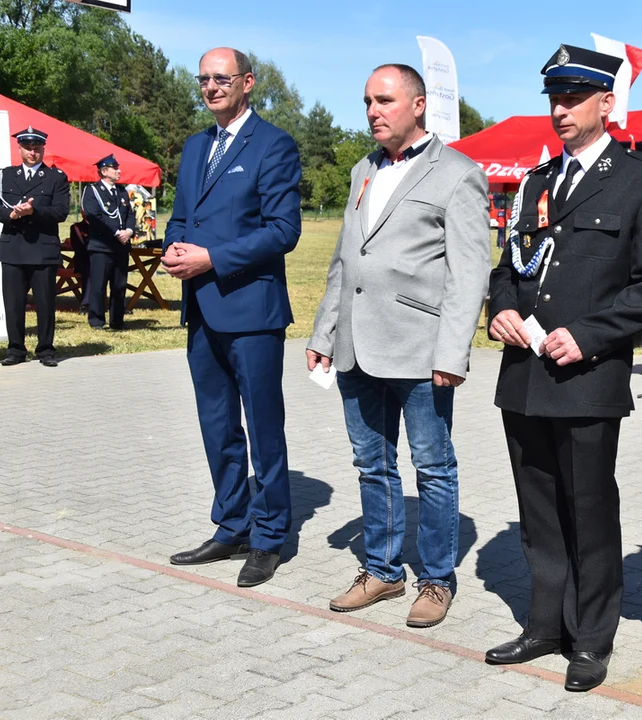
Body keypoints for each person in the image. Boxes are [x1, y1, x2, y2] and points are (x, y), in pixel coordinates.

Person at [484, 44, 642, 692]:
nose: (560, 109)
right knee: (537, 511)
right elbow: (509, 265)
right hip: (524, 377)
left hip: (586, 378)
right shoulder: (537, 183)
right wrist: (499, 311)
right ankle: (545, 624)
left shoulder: (639, 180)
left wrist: (591, 336)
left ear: (606, 102)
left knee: (589, 512)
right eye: (553, 98)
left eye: (572, 97)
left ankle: (590, 638)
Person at [308, 63, 490, 628]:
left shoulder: (458, 173)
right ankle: (382, 571)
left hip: (420, 348)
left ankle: (436, 580)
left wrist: (452, 353)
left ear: (418, 105)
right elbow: (346, 258)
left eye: (384, 100)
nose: (372, 111)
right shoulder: (364, 168)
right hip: (357, 345)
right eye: (367, 101)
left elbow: (469, 271)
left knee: (432, 467)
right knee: (371, 463)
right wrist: (323, 333)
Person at [164, 48, 302, 589]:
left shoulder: (274, 144)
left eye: (221, 78)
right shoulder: (196, 146)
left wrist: (213, 258)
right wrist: (176, 249)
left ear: (247, 82)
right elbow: (181, 216)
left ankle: (269, 537)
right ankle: (231, 524)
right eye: (203, 79)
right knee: (217, 426)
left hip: (251, 311)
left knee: (264, 429)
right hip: (201, 307)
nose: (211, 87)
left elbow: (282, 230)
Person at [0, 127, 70, 367]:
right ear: (19, 148)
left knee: (46, 303)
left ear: (43, 149)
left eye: (37, 148)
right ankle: (16, 350)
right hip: (13, 247)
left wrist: (34, 211)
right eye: (28, 148)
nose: (32, 153)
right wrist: (12, 214)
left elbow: (61, 211)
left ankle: (46, 349)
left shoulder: (55, 177)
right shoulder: (6, 175)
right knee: (14, 303)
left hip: (43, 248)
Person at [81, 154, 136, 330]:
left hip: (121, 246)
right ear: (104, 171)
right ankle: (97, 320)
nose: (119, 171)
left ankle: (117, 320)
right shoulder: (92, 191)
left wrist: (128, 230)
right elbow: (93, 216)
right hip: (102, 245)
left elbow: (129, 215)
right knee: (98, 284)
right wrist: (115, 232)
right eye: (115, 168)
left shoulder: (121, 191)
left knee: (119, 285)